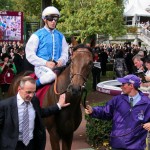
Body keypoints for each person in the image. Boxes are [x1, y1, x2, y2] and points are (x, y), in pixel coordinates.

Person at [0, 76, 70, 150]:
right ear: (19, 89)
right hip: (12, 146)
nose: (31, 95)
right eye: (28, 92)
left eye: (33, 92)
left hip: (31, 145)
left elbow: (41, 112)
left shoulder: (34, 101)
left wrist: (59, 105)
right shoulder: (5, 106)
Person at [85, 74, 150, 150]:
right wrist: (93, 110)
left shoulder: (147, 103)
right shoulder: (117, 100)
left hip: (136, 145)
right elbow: (105, 111)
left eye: (123, 84)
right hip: (117, 143)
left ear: (131, 86)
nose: (121, 87)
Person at [25, 6, 69, 88]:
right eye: (50, 19)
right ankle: (33, 87)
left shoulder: (61, 36)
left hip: (59, 67)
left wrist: (61, 60)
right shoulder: (36, 35)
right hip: (41, 67)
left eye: (55, 19)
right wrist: (45, 63)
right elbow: (30, 54)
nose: (53, 21)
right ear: (44, 19)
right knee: (51, 76)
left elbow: (65, 52)